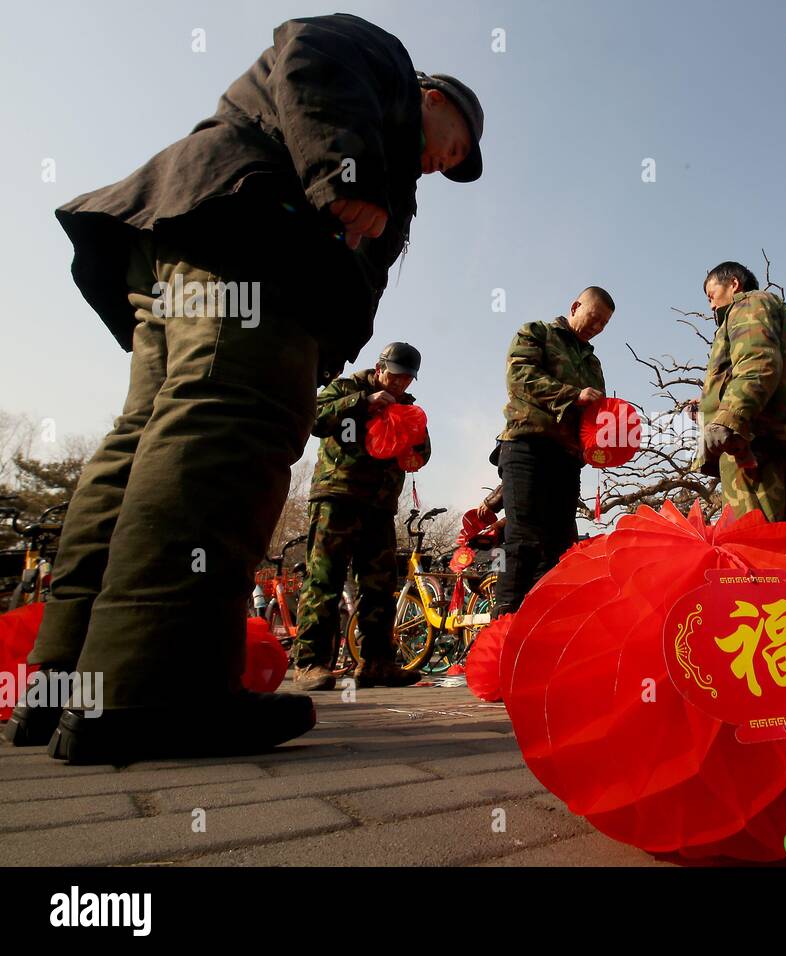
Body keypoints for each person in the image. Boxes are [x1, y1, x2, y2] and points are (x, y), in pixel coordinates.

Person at [5, 13, 485, 764]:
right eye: (451, 144)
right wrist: (347, 172)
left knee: (143, 443)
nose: (440, 163)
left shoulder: (383, 138)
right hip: (252, 238)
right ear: (430, 96)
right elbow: (310, 50)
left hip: (189, 237)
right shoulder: (381, 66)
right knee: (227, 428)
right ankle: (157, 688)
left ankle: (67, 682)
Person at [292, 343, 431, 691]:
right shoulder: (346, 388)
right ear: (380, 367)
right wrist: (361, 404)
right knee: (325, 579)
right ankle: (311, 663)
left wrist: (415, 445)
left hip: (380, 505)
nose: (401, 383)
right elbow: (315, 419)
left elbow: (422, 450)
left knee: (380, 586)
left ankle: (377, 663)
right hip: (338, 495)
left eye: (408, 378)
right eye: (396, 375)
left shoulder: (408, 407)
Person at [492, 288, 613, 616]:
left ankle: (544, 631)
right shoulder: (536, 333)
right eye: (594, 317)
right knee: (524, 539)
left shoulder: (592, 362)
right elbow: (520, 378)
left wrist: (608, 436)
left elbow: (595, 413)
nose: (597, 327)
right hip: (526, 447)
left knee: (560, 547)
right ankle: (503, 634)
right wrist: (573, 395)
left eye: (604, 324)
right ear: (576, 306)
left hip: (567, 459)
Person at [692, 262, 786, 526]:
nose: (710, 306)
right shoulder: (767, 307)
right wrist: (710, 402)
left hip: (752, 440)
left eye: (711, 295)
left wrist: (727, 418)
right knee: (781, 542)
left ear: (733, 284)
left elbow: (757, 361)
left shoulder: (747, 303)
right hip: (772, 438)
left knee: (752, 543)